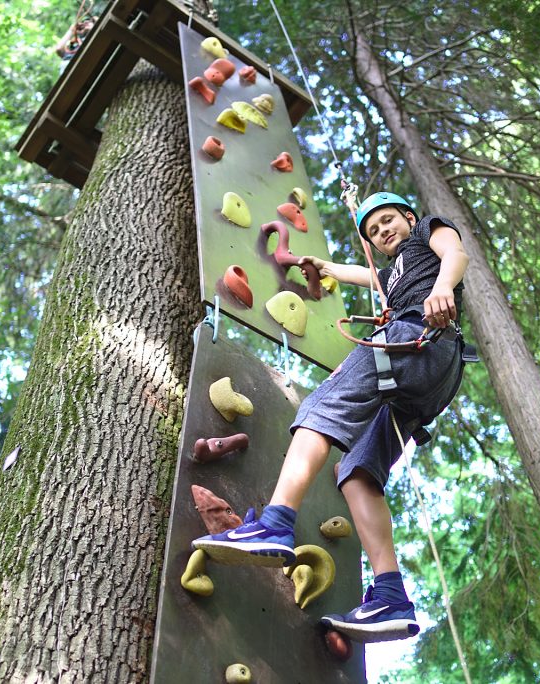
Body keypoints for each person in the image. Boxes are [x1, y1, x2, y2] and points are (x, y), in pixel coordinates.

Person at [192, 191, 470, 643]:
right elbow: (365, 275)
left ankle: (274, 524)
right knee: (358, 472)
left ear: (409, 217)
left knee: (322, 407)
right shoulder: (393, 275)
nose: (382, 231)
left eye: (388, 220)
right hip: (431, 374)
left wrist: (442, 289)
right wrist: (326, 267)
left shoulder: (427, 232)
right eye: (374, 231)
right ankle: (391, 596)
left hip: (419, 336)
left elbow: (455, 253)